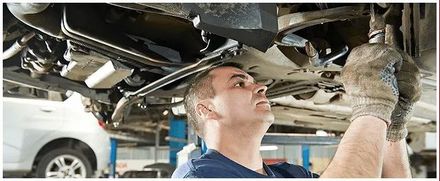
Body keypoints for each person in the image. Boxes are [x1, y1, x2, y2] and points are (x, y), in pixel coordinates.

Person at [171, 43, 422, 178]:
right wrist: (373, 105)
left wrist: (394, 127)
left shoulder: (291, 174)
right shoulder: (199, 176)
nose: (261, 87)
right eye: (239, 83)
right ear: (206, 109)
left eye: (253, 81)